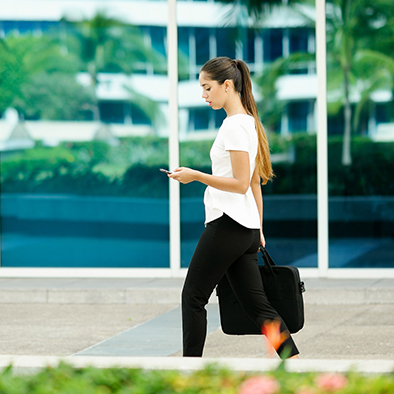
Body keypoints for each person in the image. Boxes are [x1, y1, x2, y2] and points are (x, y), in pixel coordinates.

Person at [168, 57, 299, 359]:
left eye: (207, 87)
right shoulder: (248, 123)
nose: (204, 95)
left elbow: (241, 183)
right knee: (257, 306)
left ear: (227, 85)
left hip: (228, 225)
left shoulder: (234, 126)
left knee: (193, 297)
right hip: (245, 228)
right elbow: (254, 183)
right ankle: (291, 361)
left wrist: (196, 175)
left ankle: (189, 370)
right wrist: (259, 228)